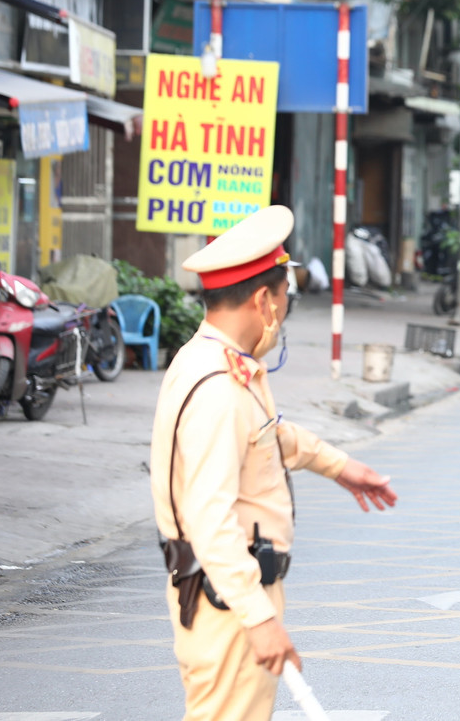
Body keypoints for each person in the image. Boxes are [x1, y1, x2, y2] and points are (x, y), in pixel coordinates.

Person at [151, 205, 398, 720]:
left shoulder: (217, 364)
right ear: (264, 299)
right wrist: (259, 617)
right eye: (285, 299)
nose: (284, 313)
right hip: (227, 598)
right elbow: (209, 520)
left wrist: (338, 466)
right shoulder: (217, 387)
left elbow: (269, 435)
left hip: (232, 594)